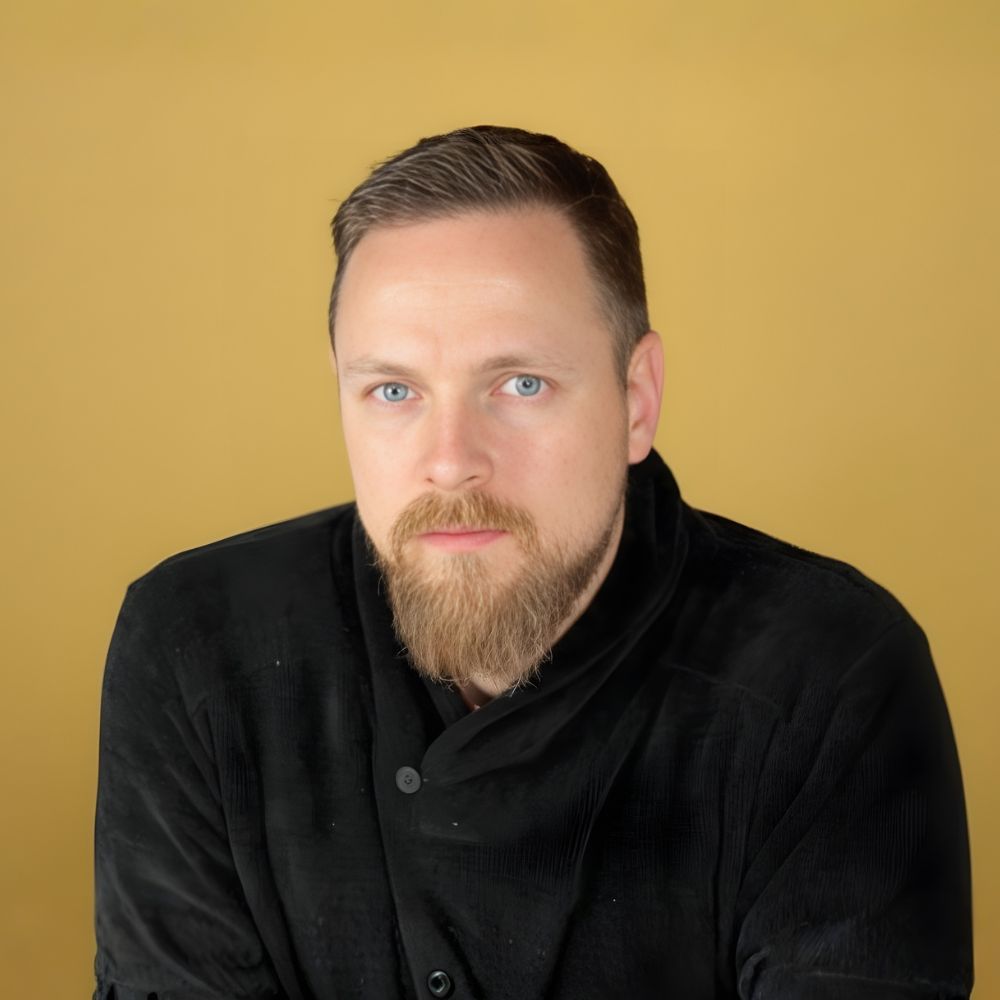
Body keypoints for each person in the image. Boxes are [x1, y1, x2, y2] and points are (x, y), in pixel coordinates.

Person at [93, 125, 973, 1000]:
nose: (450, 462)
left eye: (521, 385)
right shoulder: (196, 648)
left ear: (637, 400)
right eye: (393, 391)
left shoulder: (828, 675)